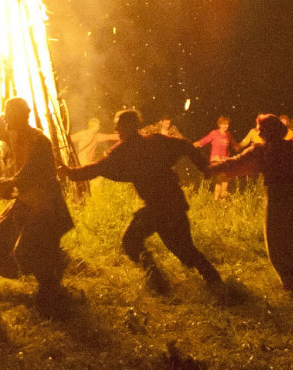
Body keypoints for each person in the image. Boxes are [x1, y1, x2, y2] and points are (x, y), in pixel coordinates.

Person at [63, 107, 223, 289]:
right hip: (171, 203)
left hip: (160, 207)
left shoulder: (128, 149)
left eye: (119, 126)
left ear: (131, 126)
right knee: (182, 249)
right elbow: (185, 145)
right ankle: (204, 281)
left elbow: (97, 168)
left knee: (136, 242)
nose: (116, 130)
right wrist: (203, 166)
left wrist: (70, 173)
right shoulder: (155, 141)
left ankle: (161, 282)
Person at [206, 113, 293, 294]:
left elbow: (235, 164)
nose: (258, 131)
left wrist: (212, 168)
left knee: (277, 245)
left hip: (278, 201)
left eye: (260, 128)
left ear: (266, 131)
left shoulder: (262, 151)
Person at [0, 97, 76, 311]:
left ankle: (52, 293)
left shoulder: (39, 141)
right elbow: (2, 131)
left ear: (21, 116)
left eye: (10, 114)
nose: (6, 119)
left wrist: (10, 183)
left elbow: (31, 173)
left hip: (45, 208)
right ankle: (52, 281)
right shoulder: (17, 136)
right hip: (27, 205)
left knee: (28, 252)